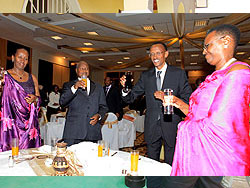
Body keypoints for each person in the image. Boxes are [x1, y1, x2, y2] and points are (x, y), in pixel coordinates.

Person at [165, 24, 250, 176]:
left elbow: (220, 125)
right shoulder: (214, 76)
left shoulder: (238, 72)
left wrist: (182, 127)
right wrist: (177, 102)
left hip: (220, 158)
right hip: (202, 152)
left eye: (207, 45)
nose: (204, 51)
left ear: (226, 41)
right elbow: (197, 114)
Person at [120, 41, 192, 187]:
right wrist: (125, 89)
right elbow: (131, 96)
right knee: (151, 159)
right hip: (152, 123)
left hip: (171, 122)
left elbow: (187, 99)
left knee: (171, 158)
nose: (154, 56)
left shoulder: (178, 74)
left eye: (158, 53)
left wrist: (168, 99)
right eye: (152, 54)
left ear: (166, 54)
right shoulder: (146, 76)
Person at [0, 48, 41, 151]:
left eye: (26, 58)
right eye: (20, 57)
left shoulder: (32, 78)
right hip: (11, 125)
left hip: (29, 125)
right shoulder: (4, 76)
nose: (22, 60)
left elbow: (38, 99)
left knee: (29, 158)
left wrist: (35, 99)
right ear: (13, 58)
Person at [60, 61, 108, 146]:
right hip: (74, 131)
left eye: (86, 69)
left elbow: (104, 107)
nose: (84, 71)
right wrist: (75, 87)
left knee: (91, 158)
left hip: (92, 131)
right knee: (72, 157)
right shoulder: (68, 85)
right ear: (76, 70)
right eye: (82, 68)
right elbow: (62, 102)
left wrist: (99, 116)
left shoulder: (98, 87)